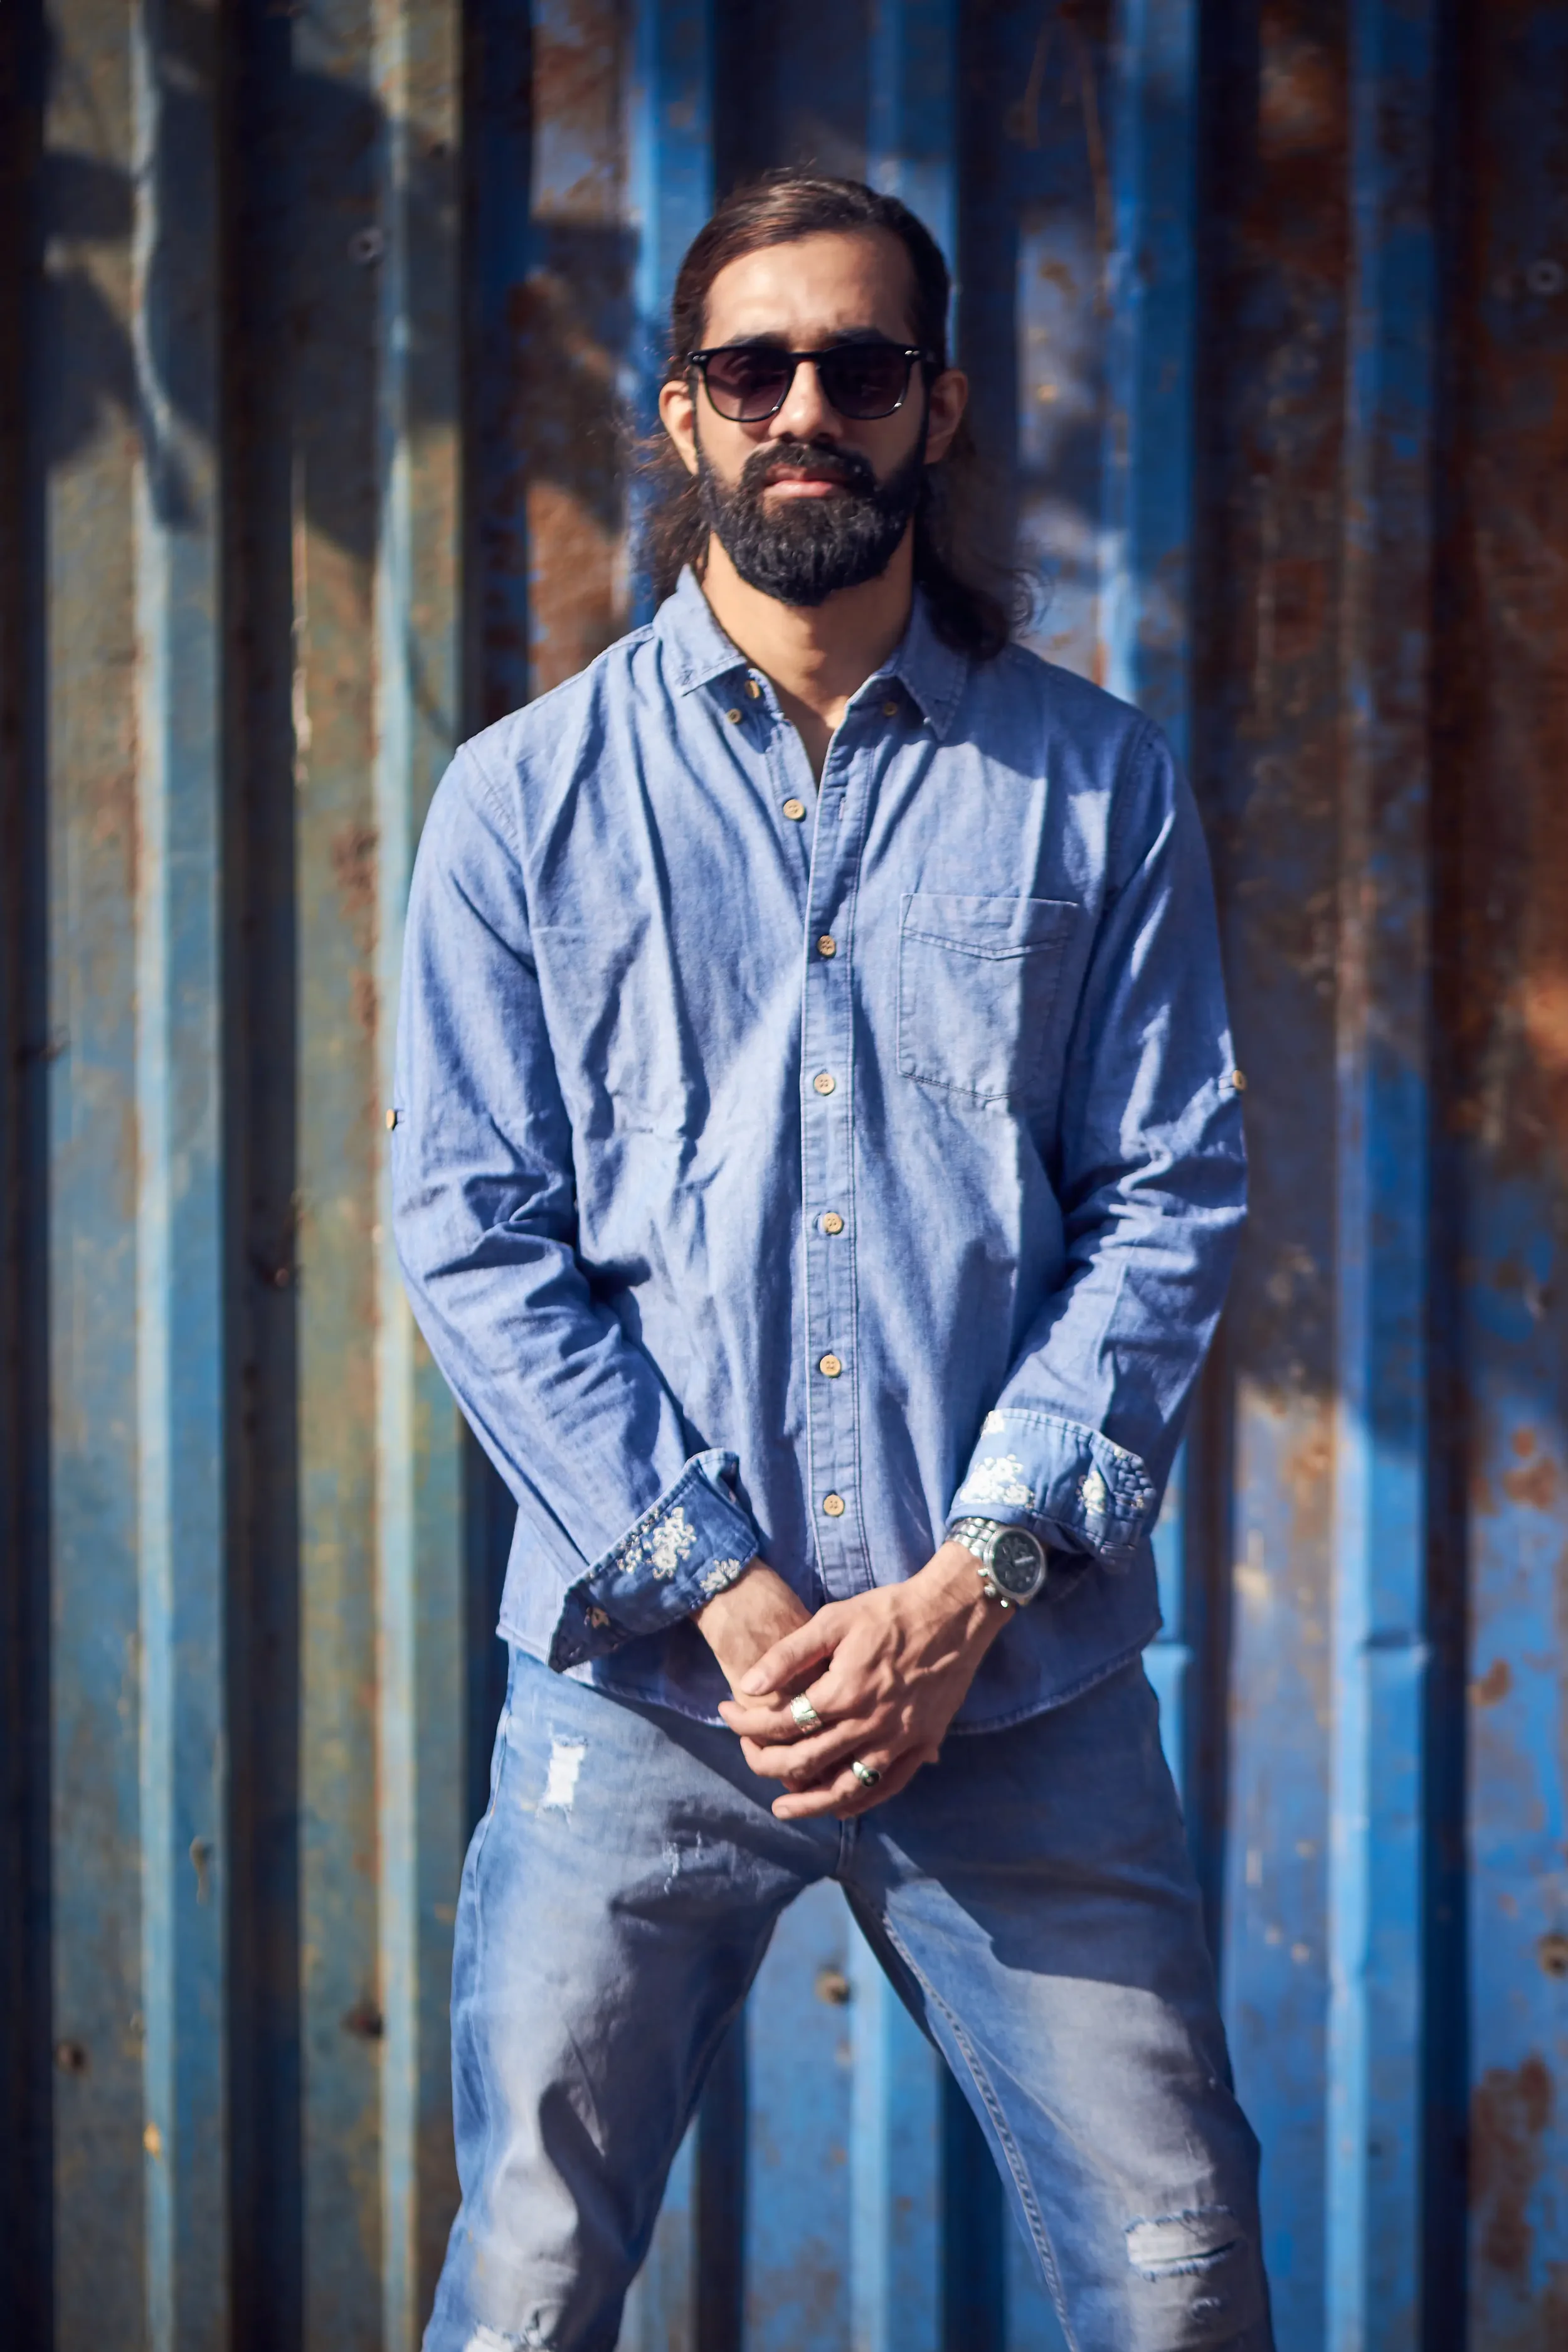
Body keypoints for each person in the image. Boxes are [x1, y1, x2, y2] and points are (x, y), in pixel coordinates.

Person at [395, 171, 1271, 2352]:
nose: (808, 409)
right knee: (522, 2284)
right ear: (683, 414)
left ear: (935, 408)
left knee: (1178, 2272)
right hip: (645, 1692)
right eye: (754, 368)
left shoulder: (1096, 785)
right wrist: (726, 1578)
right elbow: (471, 1234)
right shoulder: (517, 807)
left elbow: (1171, 1188)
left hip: (1014, 1689)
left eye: (857, 368)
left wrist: (964, 1588)